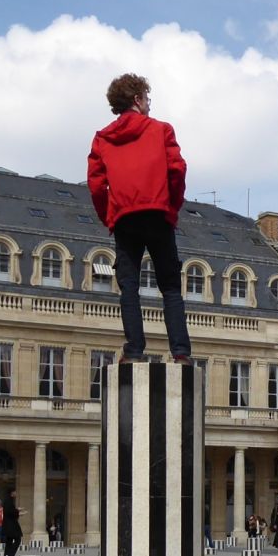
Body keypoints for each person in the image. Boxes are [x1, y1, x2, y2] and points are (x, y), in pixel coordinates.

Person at [87, 72, 190, 363]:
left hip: (124, 218)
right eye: (147, 98)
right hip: (158, 213)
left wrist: (109, 215)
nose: (149, 104)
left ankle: (133, 351)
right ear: (137, 99)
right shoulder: (161, 130)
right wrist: (171, 206)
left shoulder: (103, 138)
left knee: (129, 285)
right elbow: (177, 170)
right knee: (170, 286)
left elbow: (96, 185)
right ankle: (180, 353)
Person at [1, 487, 23, 556]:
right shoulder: (9, 501)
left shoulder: (7, 500)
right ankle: (10, 555)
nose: (16, 493)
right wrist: (18, 511)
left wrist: (17, 511)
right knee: (18, 539)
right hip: (11, 524)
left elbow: (9, 511)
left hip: (7, 523)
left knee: (9, 540)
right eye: (15, 492)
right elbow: (10, 512)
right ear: (12, 493)